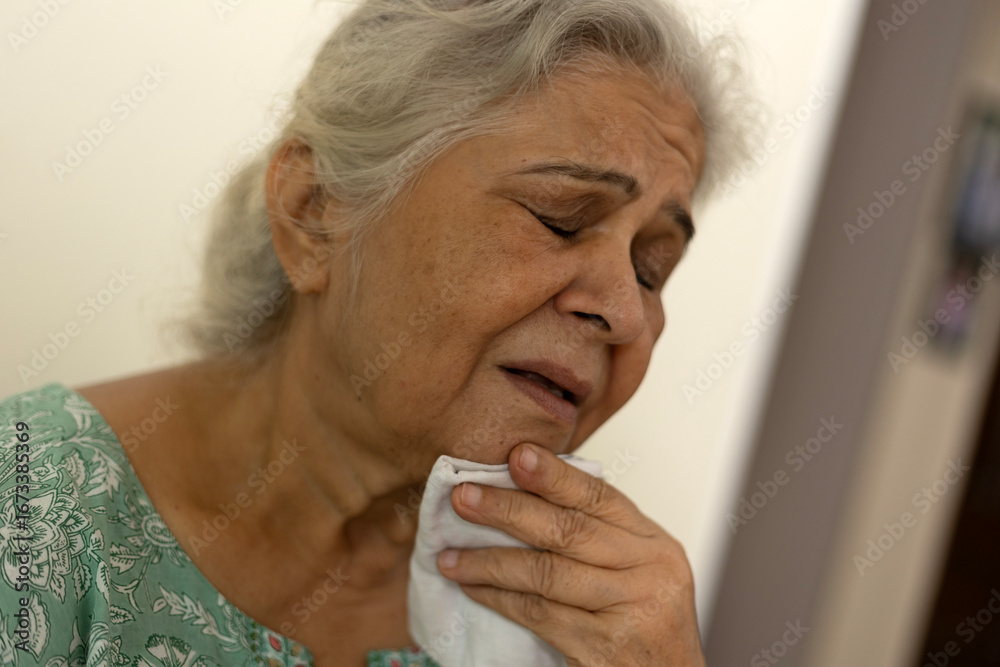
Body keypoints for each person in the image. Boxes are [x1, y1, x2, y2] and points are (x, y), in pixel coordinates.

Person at [0, 0, 754, 664]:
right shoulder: (31, 509)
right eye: (560, 216)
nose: (624, 310)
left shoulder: (592, 625)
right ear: (315, 212)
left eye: (652, 268)